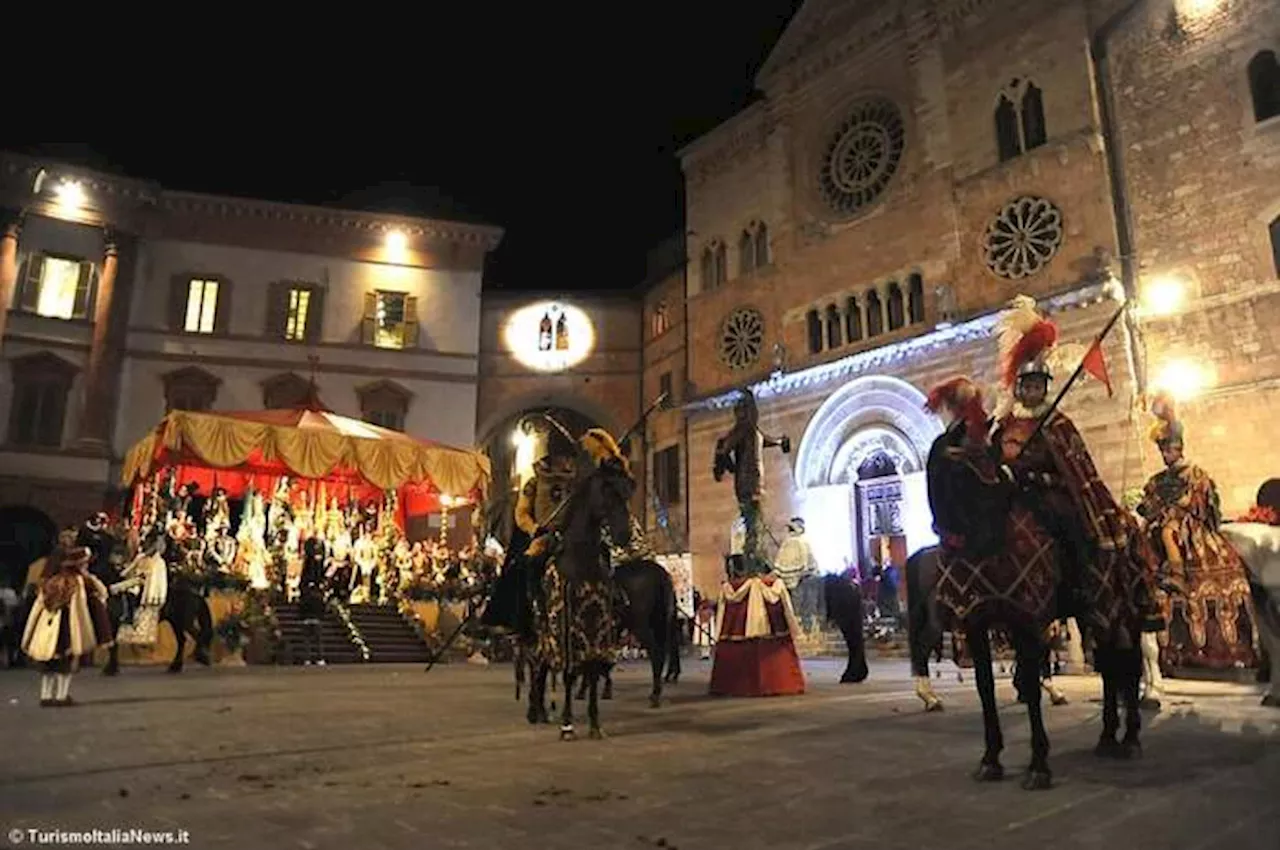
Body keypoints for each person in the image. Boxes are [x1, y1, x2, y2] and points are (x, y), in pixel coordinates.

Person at [990, 296, 1162, 646]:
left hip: (1049, 493)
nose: (1032, 391)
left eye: (1038, 385)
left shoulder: (1057, 424)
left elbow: (1074, 467)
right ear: (1019, 387)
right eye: (1027, 386)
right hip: (1011, 495)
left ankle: (1081, 581)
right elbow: (993, 460)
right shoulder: (1005, 424)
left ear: (1045, 387)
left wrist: (1040, 478)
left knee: (1069, 527)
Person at [1137, 392, 1257, 672]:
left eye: (1170, 449)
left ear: (1180, 448)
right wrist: (1145, 507)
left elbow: (1198, 500)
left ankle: (1178, 575)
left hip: (1189, 524)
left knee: (1168, 531)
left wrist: (1174, 508)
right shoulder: (1157, 480)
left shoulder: (1195, 473)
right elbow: (1150, 501)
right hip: (1162, 519)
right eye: (1163, 450)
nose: (1166, 455)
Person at [21, 530, 112, 707]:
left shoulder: (49, 583)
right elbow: (99, 597)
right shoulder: (79, 581)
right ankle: (62, 696)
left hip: (46, 630)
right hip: (69, 628)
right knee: (65, 663)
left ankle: (46, 696)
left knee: (48, 664)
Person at [299, 535, 328, 666]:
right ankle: (315, 657)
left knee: (312, 634)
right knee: (314, 634)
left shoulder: (313, 563)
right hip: (311, 601)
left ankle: (312, 657)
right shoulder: (313, 563)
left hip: (310, 601)